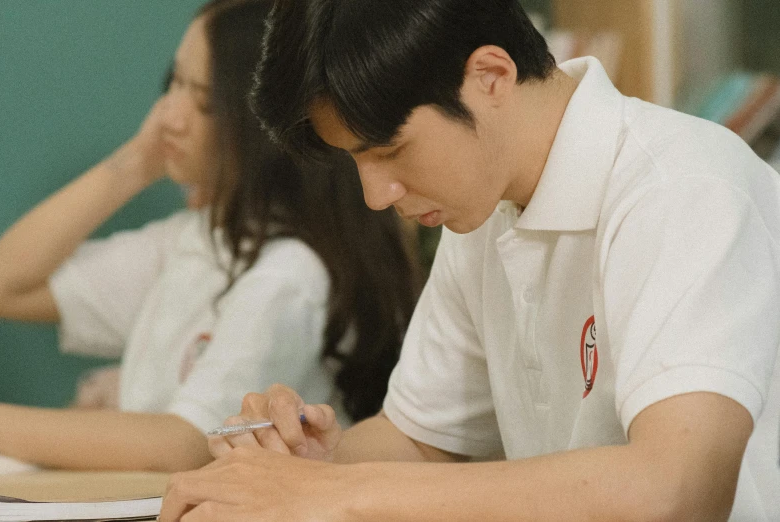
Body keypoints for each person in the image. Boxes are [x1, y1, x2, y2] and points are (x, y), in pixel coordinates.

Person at [158, 0, 780, 520]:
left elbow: (679, 489)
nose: (377, 196)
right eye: (357, 163)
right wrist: (306, 467)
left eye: (392, 152)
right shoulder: (482, 212)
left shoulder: (679, 187)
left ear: (491, 75)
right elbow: (422, 441)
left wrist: (337, 492)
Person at [0, 0, 418, 473]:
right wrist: (136, 163)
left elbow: (186, 443)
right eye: (172, 84)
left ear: (263, 126)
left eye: (202, 101)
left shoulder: (291, 272)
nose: (167, 116)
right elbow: (7, 284)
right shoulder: (199, 240)